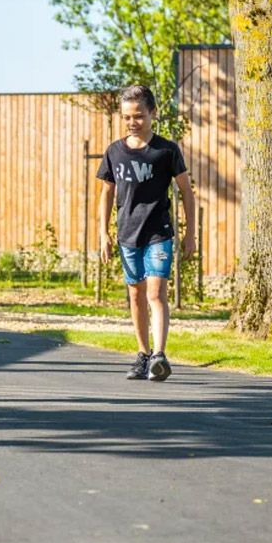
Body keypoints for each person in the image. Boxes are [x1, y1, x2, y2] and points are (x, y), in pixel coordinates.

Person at [97, 84, 196, 382]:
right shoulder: (115, 151)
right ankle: (142, 354)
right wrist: (103, 233)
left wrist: (190, 233)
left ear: (153, 113)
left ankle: (159, 355)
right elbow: (106, 194)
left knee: (156, 292)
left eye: (138, 115)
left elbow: (186, 192)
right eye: (127, 116)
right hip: (128, 234)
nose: (132, 122)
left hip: (158, 233)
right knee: (136, 295)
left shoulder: (166, 151)